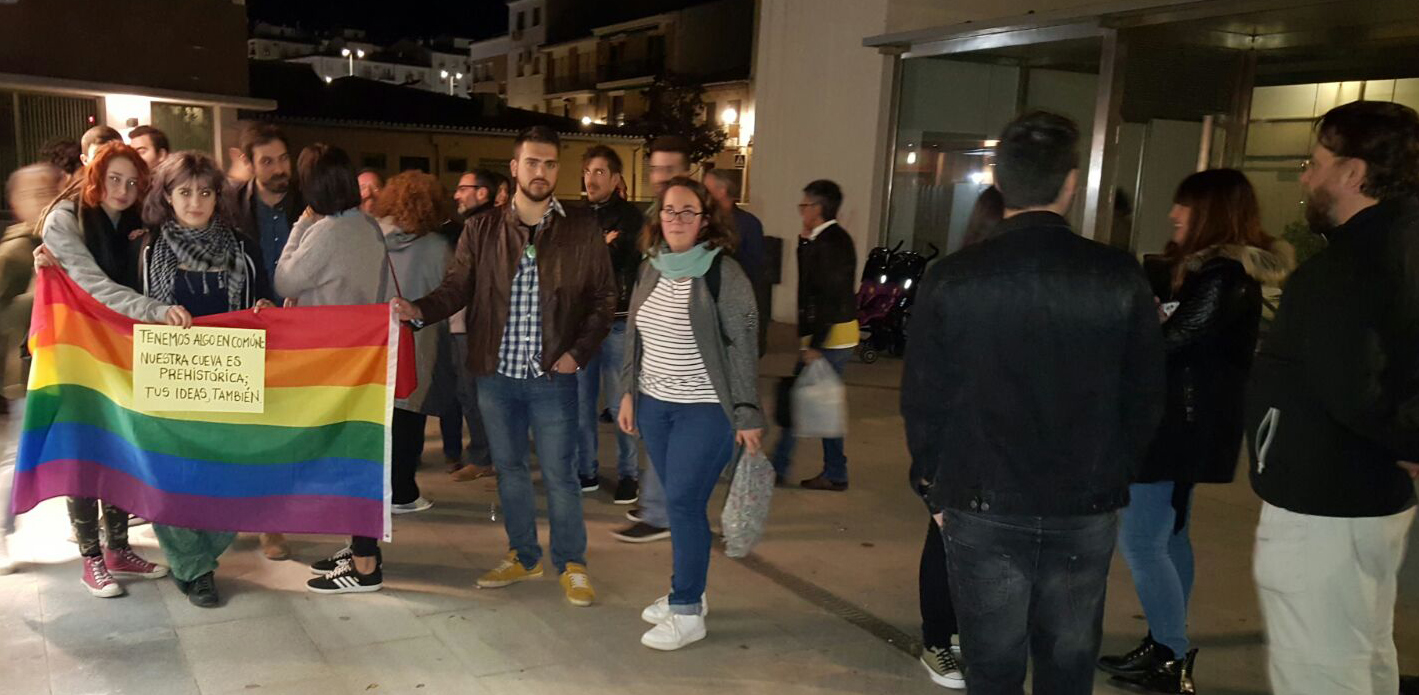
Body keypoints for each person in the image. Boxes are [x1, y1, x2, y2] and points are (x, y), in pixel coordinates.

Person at [901, 111, 1166, 695]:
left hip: (980, 497)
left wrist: (932, 486)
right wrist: (1114, 474)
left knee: (991, 665)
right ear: (1072, 181)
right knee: (1068, 664)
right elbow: (1146, 396)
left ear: (997, 178)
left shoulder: (953, 277)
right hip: (1084, 501)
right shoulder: (1118, 275)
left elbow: (924, 399)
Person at [393, 126, 615, 608]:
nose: (541, 172)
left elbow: (603, 299)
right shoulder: (482, 228)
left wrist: (577, 353)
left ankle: (571, 563)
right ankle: (523, 555)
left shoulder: (580, 228)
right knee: (511, 471)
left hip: (552, 377)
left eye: (551, 164)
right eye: (532, 162)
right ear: (514, 168)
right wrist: (419, 309)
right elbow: (457, 288)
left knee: (560, 474)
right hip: (494, 374)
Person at [1246, 100, 1419, 695]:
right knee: (1364, 650)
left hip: (1325, 498)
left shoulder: (1344, 269)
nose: (1305, 177)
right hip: (1374, 495)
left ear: (1352, 173)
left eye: (1314, 162)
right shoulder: (1403, 247)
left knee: (1320, 668)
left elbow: (1355, 389)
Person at [1099, 169, 1293, 693]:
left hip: (1175, 428)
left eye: (1183, 207)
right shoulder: (1220, 275)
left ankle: (1171, 655)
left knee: (1141, 543)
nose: (1173, 215)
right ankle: (1167, 644)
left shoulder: (1223, 277)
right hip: (1191, 425)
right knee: (1170, 536)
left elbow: (1168, 343)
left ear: (1208, 212)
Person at [616, 176, 762, 650]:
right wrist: (628, 394)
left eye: (687, 211)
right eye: (669, 210)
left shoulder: (724, 273)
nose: (677, 219)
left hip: (704, 409)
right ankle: (689, 594)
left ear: (704, 220)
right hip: (655, 406)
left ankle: (686, 609)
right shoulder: (651, 267)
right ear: (657, 218)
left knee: (681, 503)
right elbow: (633, 336)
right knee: (682, 507)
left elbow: (743, 347)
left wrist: (746, 412)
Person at [36, 142, 176, 597]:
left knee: (120, 448)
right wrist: (154, 310)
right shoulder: (65, 219)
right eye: (114, 179)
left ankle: (119, 548)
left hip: (122, 354)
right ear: (95, 175)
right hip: (77, 351)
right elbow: (93, 287)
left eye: (133, 182)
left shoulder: (138, 223)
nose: (123, 189)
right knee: (85, 452)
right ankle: (91, 558)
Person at [136, 152, 275, 607]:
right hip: (168, 381)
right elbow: (115, 303)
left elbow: (265, 300)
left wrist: (267, 311)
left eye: (205, 191)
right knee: (170, 478)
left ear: (218, 196)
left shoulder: (243, 248)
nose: (195, 201)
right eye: (184, 191)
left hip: (230, 381)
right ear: (167, 196)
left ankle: (199, 555)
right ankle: (193, 568)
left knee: (230, 478)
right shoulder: (147, 249)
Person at [269, 144, 395, 594]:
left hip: (335, 360)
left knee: (348, 461)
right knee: (356, 453)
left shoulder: (328, 231)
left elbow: (284, 278)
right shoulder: (367, 226)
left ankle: (365, 567)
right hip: (361, 358)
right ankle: (360, 548)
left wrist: (302, 223)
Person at [915, 187, 1004, 691]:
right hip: (959, 434)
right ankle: (936, 640)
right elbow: (930, 374)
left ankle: (966, 633)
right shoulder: (954, 280)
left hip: (1005, 438)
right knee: (945, 535)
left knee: (987, 542)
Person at [225, 122, 303, 561]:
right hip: (244, 333)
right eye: (267, 161)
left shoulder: (310, 204)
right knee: (241, 432)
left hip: (295, 336)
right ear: (249, 164)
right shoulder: (228, 206)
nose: (278, 169)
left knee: (280, 433)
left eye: (283, 159)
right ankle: (239, 511)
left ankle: (272, 524)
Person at [611, 134, 694, 543]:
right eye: (655, 169)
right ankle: (657, 505)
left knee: (670, 440)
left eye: (669, 170)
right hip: (653, 348)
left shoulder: (697, 220)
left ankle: (662, 512)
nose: (659, 177)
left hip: (687, 363)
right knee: (655, 434)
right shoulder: (651, 218)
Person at [770, 179, 858, 492]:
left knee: (805, 401)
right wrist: (802, 245)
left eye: (804, 205)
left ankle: (782, 466)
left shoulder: (832, 242)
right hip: (830, 337)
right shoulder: (825, 239)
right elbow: (811, 284)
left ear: (818, 209)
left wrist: (816, 344)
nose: (801, 210)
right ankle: (830, 471)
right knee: (820, 403)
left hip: (830, 339)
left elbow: (828, 297)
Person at [0, 164, 63, 575]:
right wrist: (40, 290)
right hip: (24, 374)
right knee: (14, 458)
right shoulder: (16, 251)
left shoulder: (57, 239)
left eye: (51, 189)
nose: (45, 198)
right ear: (16, 201)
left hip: (55, 367)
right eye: (36, 191)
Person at [577, 145, 645, 504]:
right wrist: (597, 247)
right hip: (583, 325)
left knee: (621, 405)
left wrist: (593, 251)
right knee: (581, 403)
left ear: (616, 178)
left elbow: (619, 260)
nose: (591, 178)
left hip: (618, 321)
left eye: (600, 172)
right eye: (587, 171)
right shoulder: (574, 216)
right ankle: (585, 469)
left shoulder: (631, 218)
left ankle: (628, 474)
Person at [704, 167, 769, 356]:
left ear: (721, 190)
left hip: (733, 306)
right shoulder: (703, 221)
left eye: (706, 188)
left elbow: (754, 272)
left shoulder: (747, 224)